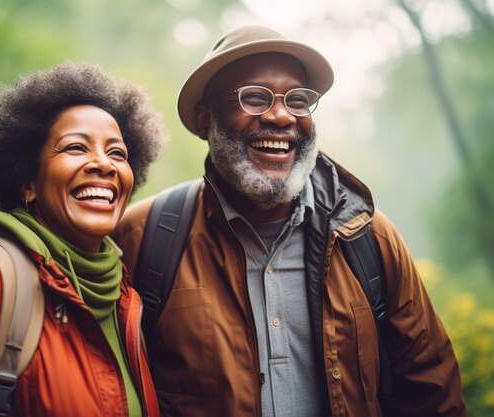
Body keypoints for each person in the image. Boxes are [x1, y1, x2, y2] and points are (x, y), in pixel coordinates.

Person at [112, 25, 467, 417]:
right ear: (203, 119)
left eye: (298, 100)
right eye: (254, 97)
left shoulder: (367, 235)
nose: (282, 116)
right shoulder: (142, 238)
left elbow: (434, 393)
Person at [0, 62, 167, 417]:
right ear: (28, 184)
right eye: (75, 148)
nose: (104, 164)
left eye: (117, 153)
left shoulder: (124, 296)